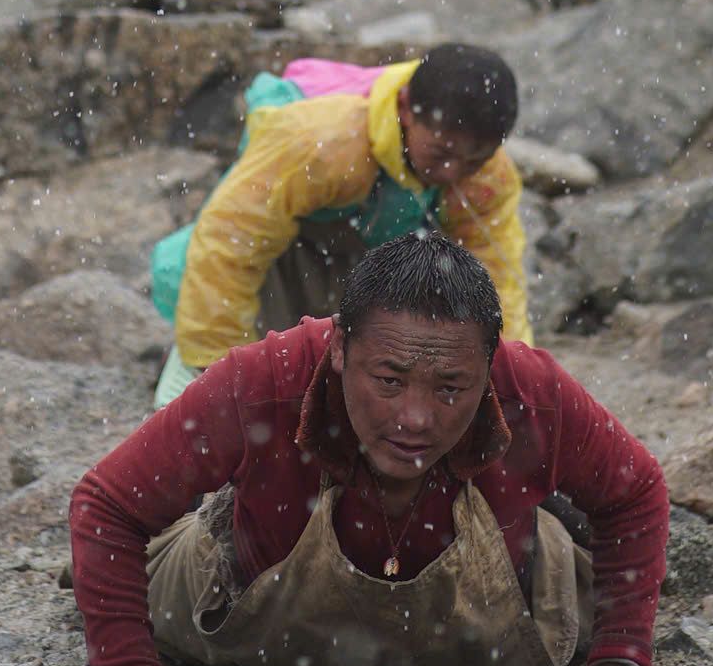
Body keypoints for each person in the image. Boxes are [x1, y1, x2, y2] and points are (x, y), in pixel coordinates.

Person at [70, 231, 674, 666]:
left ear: (489, 368)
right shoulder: (264, 380)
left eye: (450, 388)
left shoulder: (532, 393)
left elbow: (637, 492)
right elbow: (106, 504)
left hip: (506, 608)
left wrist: (620, 662)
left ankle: (550, 517)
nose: (415, 418)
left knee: (576, 554)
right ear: (338, 348)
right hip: (232, 596)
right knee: (114, 562)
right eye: (389, 381)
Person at [151, 46, 530, 405]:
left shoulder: (486, 175)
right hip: (288, 256)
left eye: (474, 161)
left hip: (365, 255)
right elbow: (230, 242)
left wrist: (507, 382)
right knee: (262, 368)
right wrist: (217, 366)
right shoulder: (325, 142)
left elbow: (497, 278)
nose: (452, 173)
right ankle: (189, 364)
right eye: (441, 153)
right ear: (405, 108)